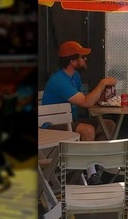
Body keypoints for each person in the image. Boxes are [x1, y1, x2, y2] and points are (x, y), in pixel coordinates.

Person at [42, 40, 116, 184]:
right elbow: (86, 102)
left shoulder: (74, 76)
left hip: (69, 121)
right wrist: (102, 83)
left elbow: (87, 100)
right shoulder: (59, 80)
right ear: (72, 61)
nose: (85, 59)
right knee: (87, 130)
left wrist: (105, 97)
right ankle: (92, 174)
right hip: (51, 126)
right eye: (82, 57)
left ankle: (94, 162)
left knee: (108, 125)